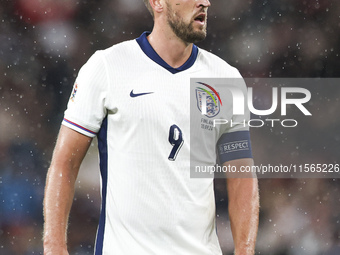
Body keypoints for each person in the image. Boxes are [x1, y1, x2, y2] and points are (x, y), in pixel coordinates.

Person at [43, 0, 259, 254]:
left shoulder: (225, 79)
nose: (205, 2)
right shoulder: (107, 68)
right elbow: (64, 163)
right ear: (157, 3)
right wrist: (54, 246)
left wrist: (245, 251)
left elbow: (241, 177)